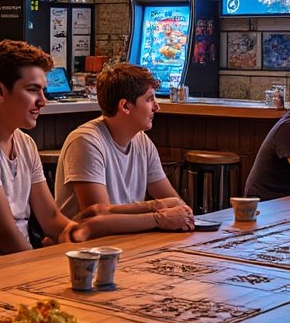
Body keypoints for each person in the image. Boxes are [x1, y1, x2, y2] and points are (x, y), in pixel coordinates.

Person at [0, 41, 192, 267]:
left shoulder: (24, 143)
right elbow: (6, 236)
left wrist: (77, 236)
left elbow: (51, 219)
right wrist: (47, 271)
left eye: (43, 90)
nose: (43, 100)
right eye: (33, 90)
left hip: (12, 264)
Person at [55, 63, 191, 220]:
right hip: (87, 244)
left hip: (127, 238)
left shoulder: (142, 141)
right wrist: (157, 215)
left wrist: (183, 214)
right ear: (125, 106)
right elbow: (98, 218)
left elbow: (174, 203)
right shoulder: (85, 142)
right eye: (149, 99)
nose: (157, 107)